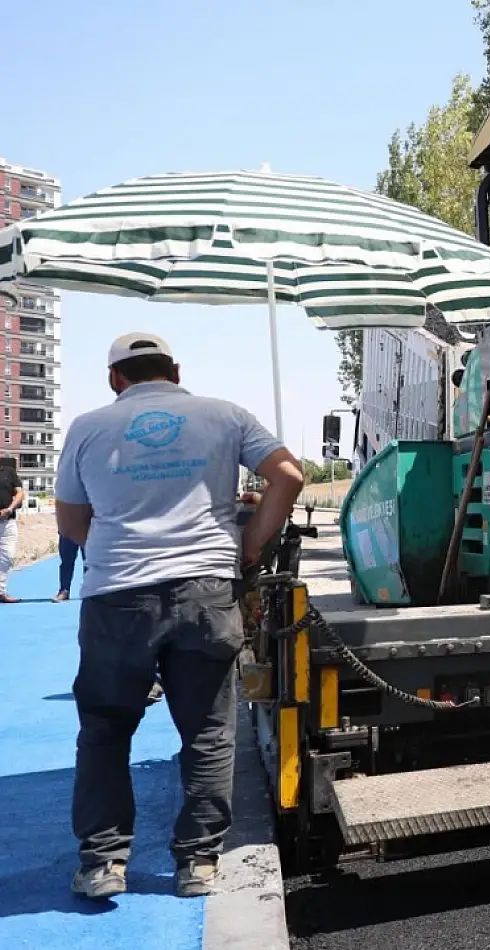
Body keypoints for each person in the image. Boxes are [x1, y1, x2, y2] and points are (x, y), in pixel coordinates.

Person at [56, 332, 305, 901]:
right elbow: (288, 474)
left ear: (116, 378)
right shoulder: (225, 415)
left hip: (118, 598)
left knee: (104, 732)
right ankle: (198, 864)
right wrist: (249, 547)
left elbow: (72, 525)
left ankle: (103, 864)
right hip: (207, 592)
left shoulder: (89, 427)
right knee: (209, 733)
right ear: (175, 370)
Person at [0, 456, 23, 604]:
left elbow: (20, 493)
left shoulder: (8, 471)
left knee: (6, 557)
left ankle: (1, 591)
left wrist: (9, 509)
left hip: (8, 522)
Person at [56, 534, 82, 602]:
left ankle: (92, 591)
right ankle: (64, 591)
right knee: (66, 560)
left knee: (90, 561)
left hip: (89, 528)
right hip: (69, 529)